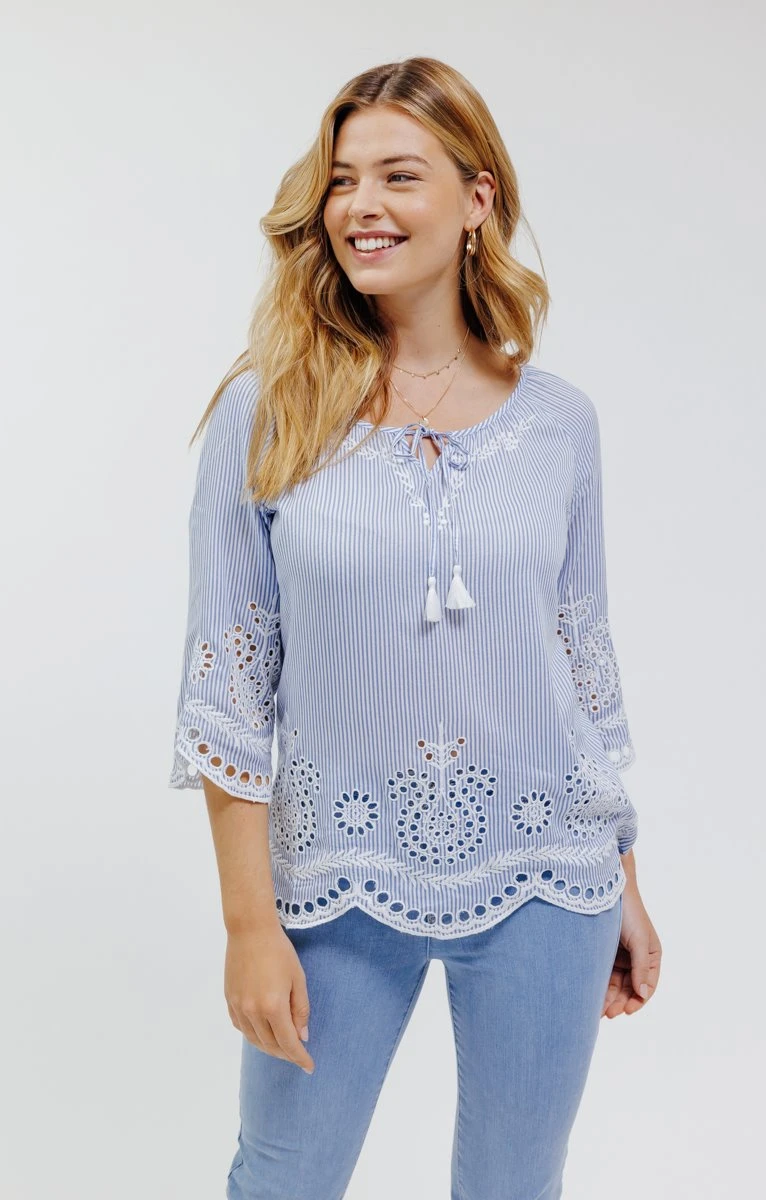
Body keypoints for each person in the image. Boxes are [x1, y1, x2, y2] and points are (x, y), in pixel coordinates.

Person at [168, 56, 662, 1200]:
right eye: (343, 180)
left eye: (398, 175)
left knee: (514, 1185)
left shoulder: (559, 425)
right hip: (333, 879)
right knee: (282, 1179)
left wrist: (623, 877)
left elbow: (578, 668)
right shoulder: (267, 409)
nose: (361, 206)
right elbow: (227, 690)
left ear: (477, 200)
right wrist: (249, 928)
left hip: (550, 875)